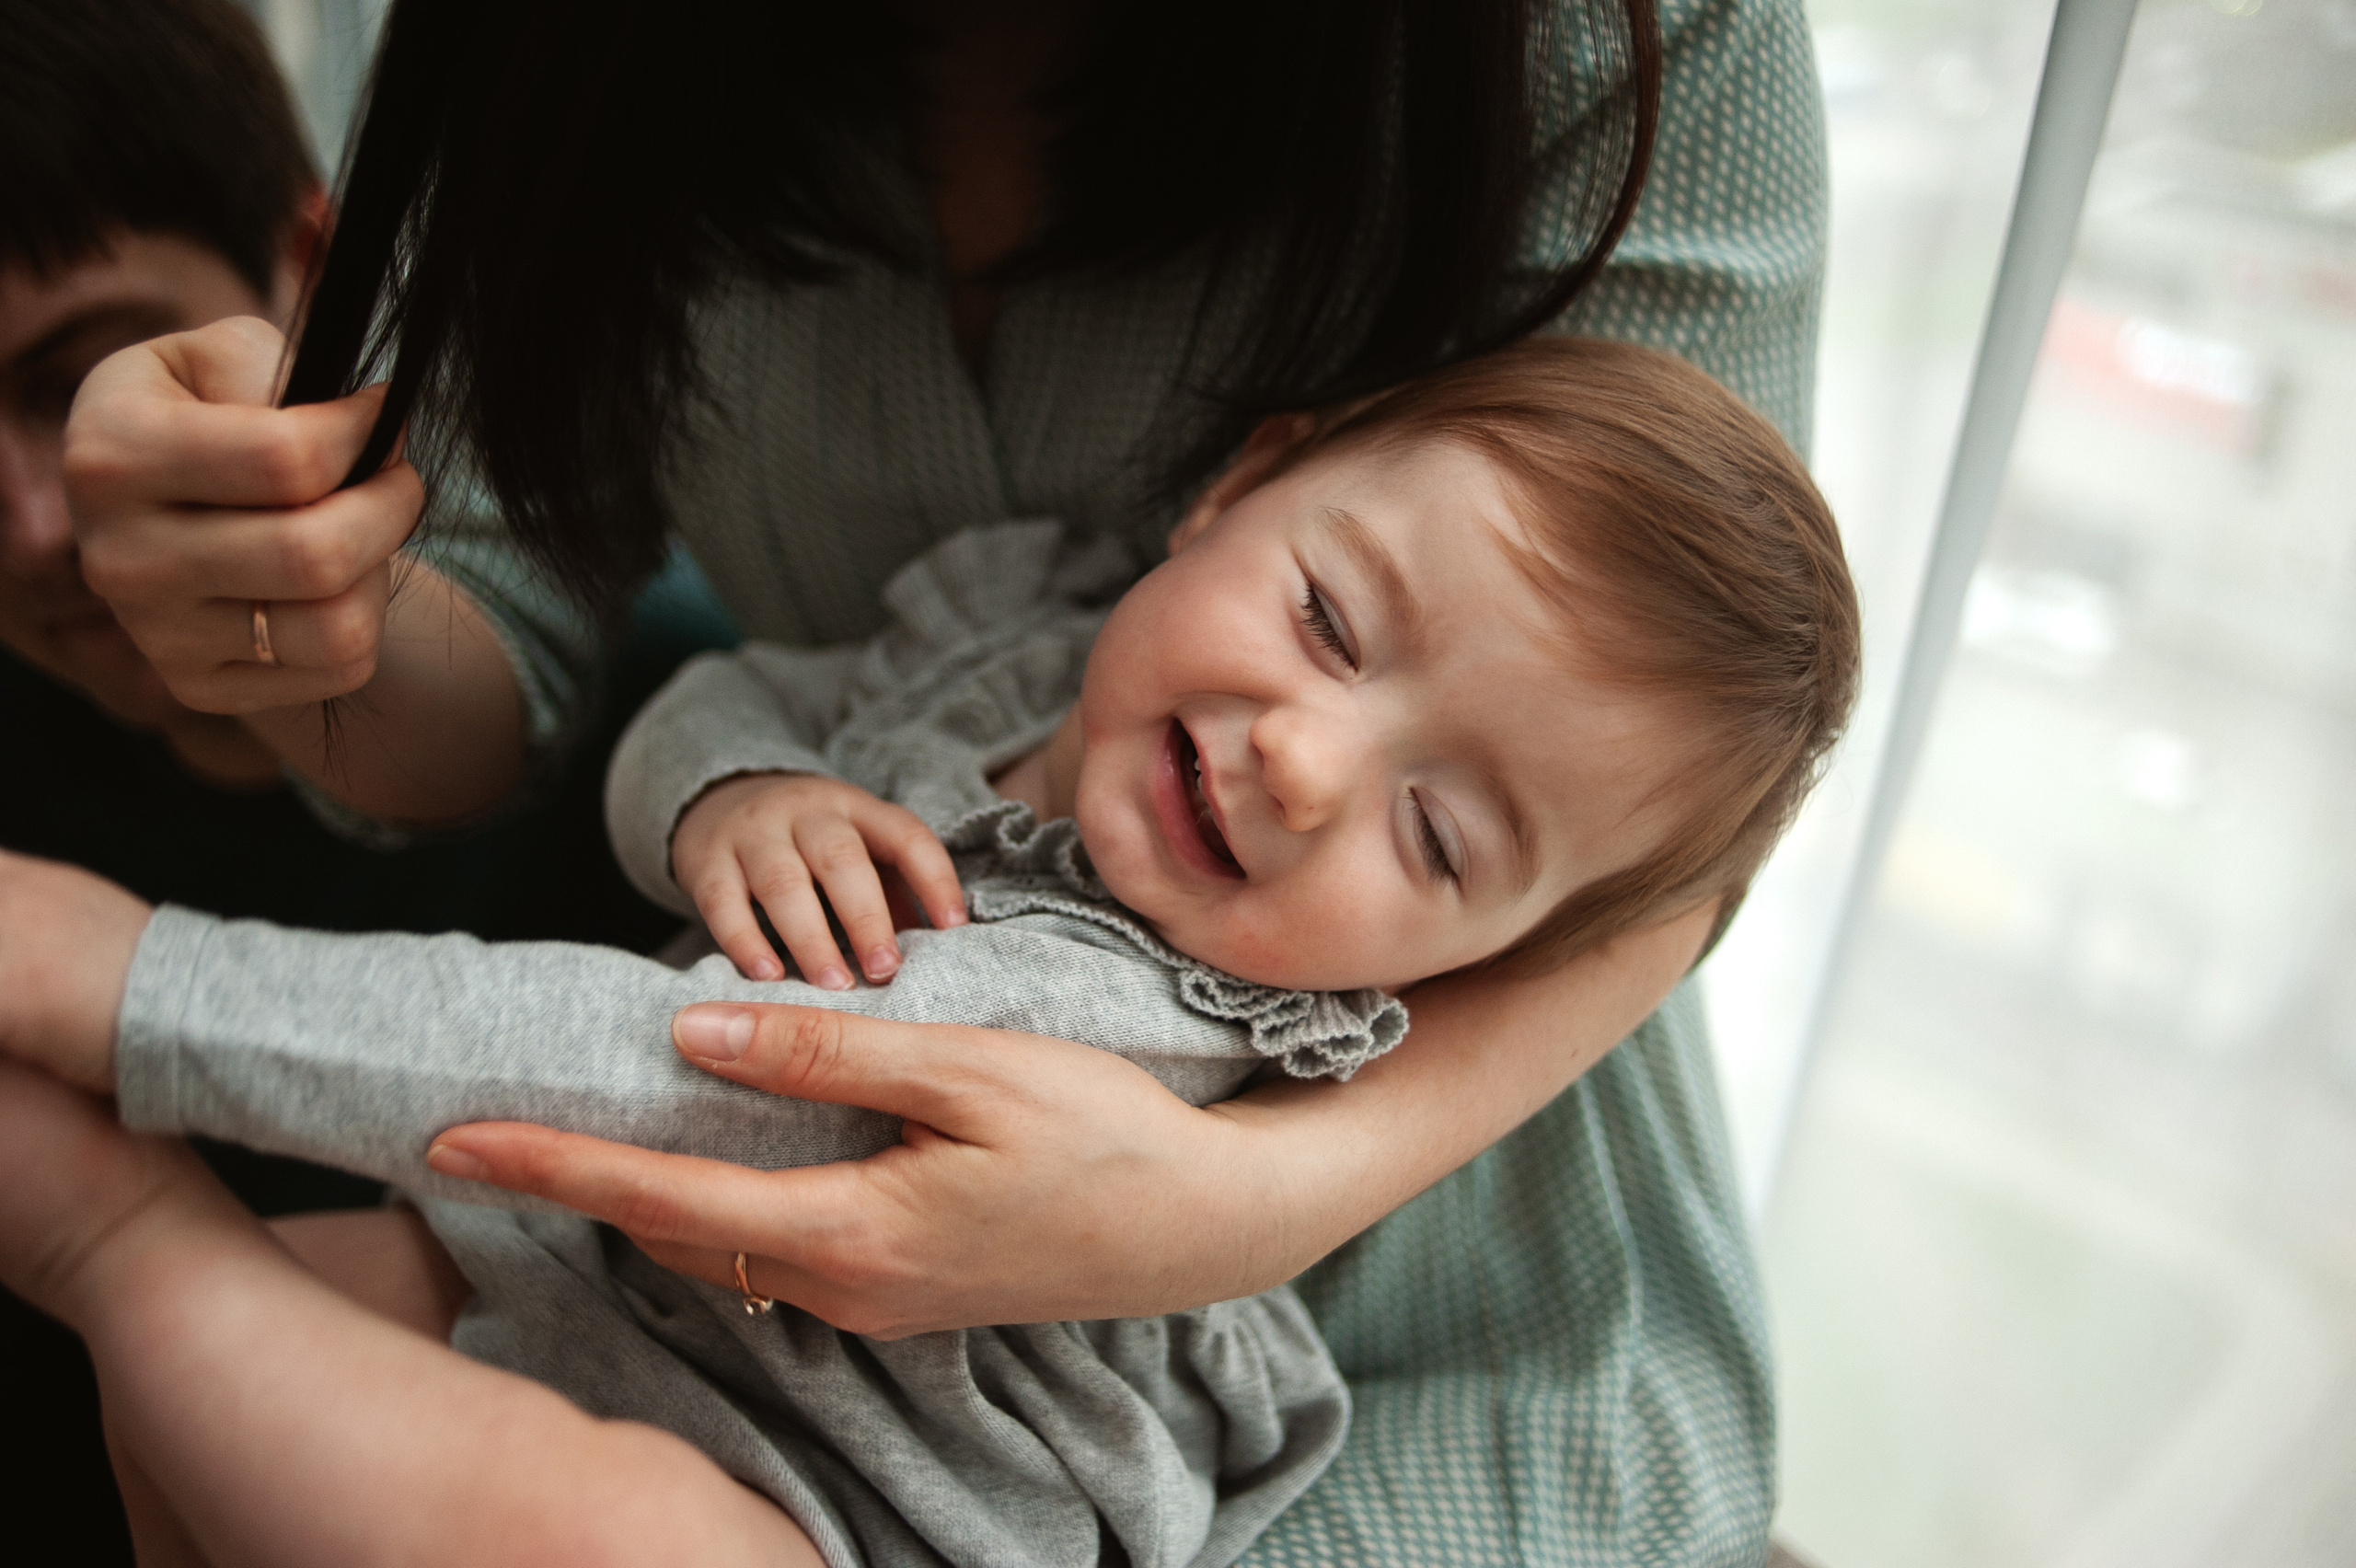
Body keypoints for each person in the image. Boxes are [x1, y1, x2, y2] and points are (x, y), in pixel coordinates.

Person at [48, 0, 1831, 1559]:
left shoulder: (1142, 998)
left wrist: (142, 1007)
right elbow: (717, 680)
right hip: (641, 1294)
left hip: (874, 1467)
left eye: (1433, 833)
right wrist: (716, 787)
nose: (1296, 763)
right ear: (1239, 480)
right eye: (1325, 622)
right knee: (222, 1396)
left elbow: (658, 1073)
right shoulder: (1015, 626)